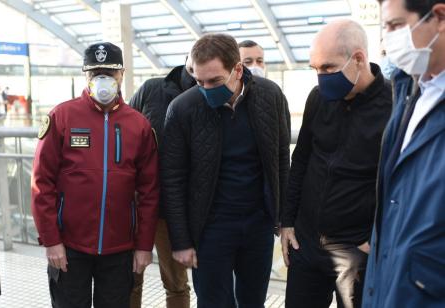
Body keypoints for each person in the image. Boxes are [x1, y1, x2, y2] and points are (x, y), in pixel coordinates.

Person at [162, 33, 290, 308]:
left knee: (253, 301)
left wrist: (282, 216)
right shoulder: (183, 108)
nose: (206, 88)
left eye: (215, 81)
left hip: (258, 225)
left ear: (238, 70)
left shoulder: (270, 96)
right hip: (210, 229)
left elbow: (281, 157)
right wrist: (181, 241)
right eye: (199, 81)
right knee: (213, 303)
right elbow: (172, 178)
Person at [31, 41, 159, 308]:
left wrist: (144, 244)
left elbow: (149, 191)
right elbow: (41, 183)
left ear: (122, 74)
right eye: (95, 73)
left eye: (109, 73)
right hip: (69, 247)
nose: (103, 80)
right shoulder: (62, 116)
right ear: (85, 76)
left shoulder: (139, 125)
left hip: (120, 249)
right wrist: (51, 240)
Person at [280, 20, 392, 308]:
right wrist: (288, 222)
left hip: (356, 250)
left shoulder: (394, 105)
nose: (321, 77)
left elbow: (400, 184)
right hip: (305, 244)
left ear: (358, 58)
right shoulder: (319, 98)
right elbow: (301, 159)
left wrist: (374, 241)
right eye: (315, 69)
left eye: (328, 68)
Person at [363, 1, 445, 307]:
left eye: (396, 26)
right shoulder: (409, 90)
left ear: (438, 17)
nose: (387, 40)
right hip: (391, 289)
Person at [128, 56, 196, 308]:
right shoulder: (152, 89)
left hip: (174, 210)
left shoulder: (210, 95)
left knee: (176, 282)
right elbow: (123, 129)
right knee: (130, 279)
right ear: (188, 59)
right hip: (137, 203)